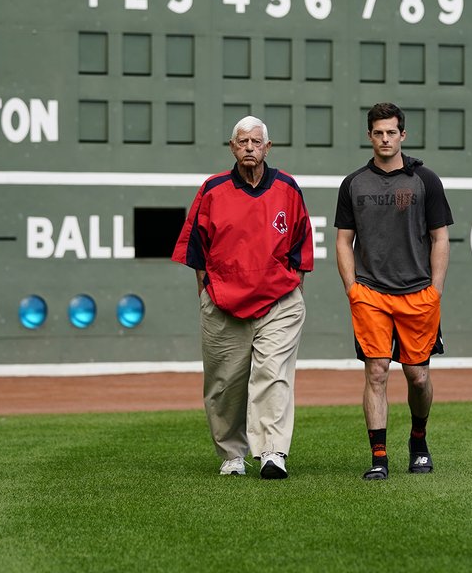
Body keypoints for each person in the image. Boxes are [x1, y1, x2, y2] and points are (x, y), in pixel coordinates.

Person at [172, 115, 314, 479]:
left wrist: (287, 293)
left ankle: (272, 452)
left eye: (256, 142)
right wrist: (209, 296)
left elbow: (300, 250)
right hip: (223, 304)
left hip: (278, 303)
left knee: (273, 374)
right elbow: (197, 255)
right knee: (225, 385)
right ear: (232, 147)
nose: (249, 147)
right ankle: (232, 454)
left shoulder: (287, 188)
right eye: (242, 142)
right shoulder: (213, 189)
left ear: (268, 147)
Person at [335, 102, 453, 480]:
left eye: (391, 132)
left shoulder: (426, 181)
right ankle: (378, 457)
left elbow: (440, 238)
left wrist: (435, 290)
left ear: (403, 135)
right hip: (370, 293)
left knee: (417, 377)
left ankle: (418, 441)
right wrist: (353, 288)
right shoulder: (353, 184)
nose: (385, 139)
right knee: (377, 372)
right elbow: (343, 241)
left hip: (418, 293)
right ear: (369, 136)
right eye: (378, 132)